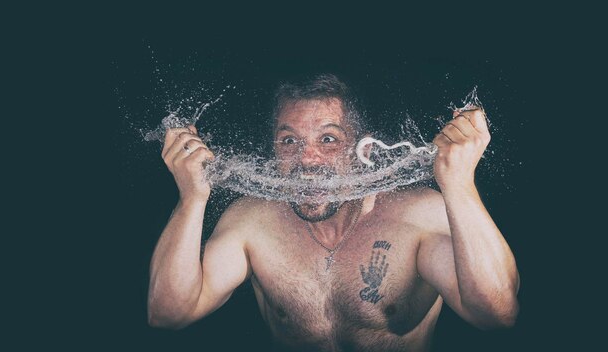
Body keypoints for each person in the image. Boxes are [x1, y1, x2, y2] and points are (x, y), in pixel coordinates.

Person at [147, 74, 520, 351]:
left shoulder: (417, 217)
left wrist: (458, 183)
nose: (307, 160)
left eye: (328, 140)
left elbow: (496, 315)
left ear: (364, 151)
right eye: (289, 141)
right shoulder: (252, 223)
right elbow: (168, 315)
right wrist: (191, 198)